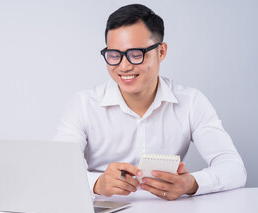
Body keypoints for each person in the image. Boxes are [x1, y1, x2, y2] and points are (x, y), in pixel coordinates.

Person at [53, 4, 247, 200]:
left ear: (161, 52)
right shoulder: (83, 105)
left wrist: (192, 184)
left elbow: (234, 168)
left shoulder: (191, 102)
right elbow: (57, 171)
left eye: (136, 54)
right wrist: (98, 184)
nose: (124, 66)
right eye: (114, 55)